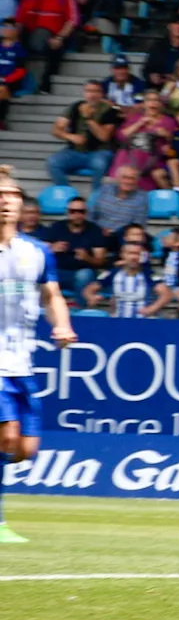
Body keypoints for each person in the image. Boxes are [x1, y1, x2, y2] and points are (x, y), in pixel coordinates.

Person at [0, 168, 78, 540]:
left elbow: (52, 296)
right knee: (7, 437)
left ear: (20, 203)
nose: (5, 201)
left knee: (26, 450)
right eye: (0, 195)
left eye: (11, 194)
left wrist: (61, 325)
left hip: (22, 363)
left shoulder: (37, 251)